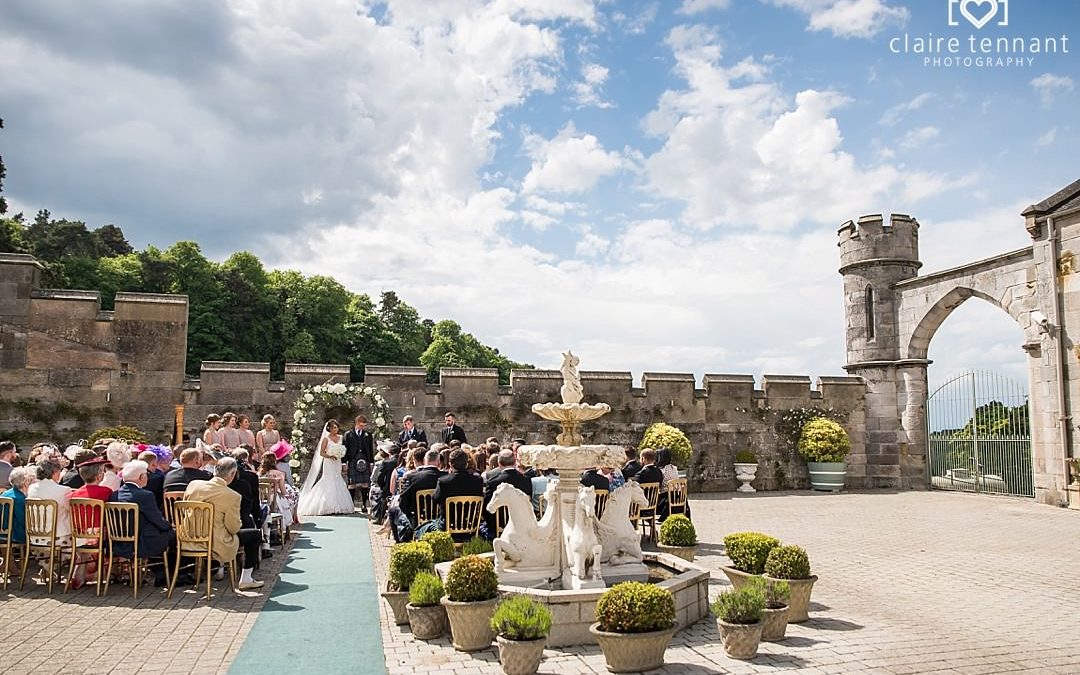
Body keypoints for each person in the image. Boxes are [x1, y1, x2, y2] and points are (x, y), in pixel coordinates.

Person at [183, 457, 264, 590]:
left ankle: (219, 568)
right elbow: (233, 528)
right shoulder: (232, 496)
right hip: (216, 542)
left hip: (189, 538)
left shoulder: (194, 485)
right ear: (232, 474)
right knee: (255, 535)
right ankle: (246, 578)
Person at [112, 460, 176, 587]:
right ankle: (167, 576)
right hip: (141, 541)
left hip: (118, 541)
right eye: (146, 475)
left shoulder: (114, 495)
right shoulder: (145, 495)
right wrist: (169, 527)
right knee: (172, 537)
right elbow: (156, 519)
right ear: (141, 477)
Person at [296, 420, 354, 516]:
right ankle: (326, 505)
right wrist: (330, 455)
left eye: (336, 427)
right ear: (329, 429)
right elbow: (322, 452)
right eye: (333, 427)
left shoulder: (341, 438)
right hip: (329, 462)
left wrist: (340, 454)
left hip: (337, 462)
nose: (335, 429)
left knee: (337, 478)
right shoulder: (326, 439)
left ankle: (339, 505)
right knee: (328, 479)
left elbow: (344, 449)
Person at [428, 449, 483, 541]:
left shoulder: (444, 481)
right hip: (470, 525)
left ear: (450, 464)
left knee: (422, 528)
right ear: (466, 464)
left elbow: (435, 500)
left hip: (446, 526)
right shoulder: (478, 481)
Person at [391, 449, 443, 542]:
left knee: (393, 510)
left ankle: (399, 543)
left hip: (418, 519)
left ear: (425, 461)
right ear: (439, 462)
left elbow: (403, 503)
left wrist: (410, 515)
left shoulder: (413, 478)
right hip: (438, 519)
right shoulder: (445, 478)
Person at [482, 450, 532, 539]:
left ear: (499, 464)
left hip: (498, 524)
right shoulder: (526, 480)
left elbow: (487, 509)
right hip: (521, 523)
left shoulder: (493, 482)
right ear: (515, 461)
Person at [258, 454, 299, 527]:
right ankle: (288, 525)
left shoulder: (259, 474)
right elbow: (283, 492)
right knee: (293, 498)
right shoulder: (279, 474)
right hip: (274, 501)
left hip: (261, 500)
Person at [343, 415, 374, 510]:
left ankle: (364, 504)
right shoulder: (348, 434)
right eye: (361, 425)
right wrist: (344, 462)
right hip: (352, 459)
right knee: (352, 484)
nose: (363, 427)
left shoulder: (368, 435)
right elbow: (344, 449)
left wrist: (371, 462)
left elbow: (370, 449)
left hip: (365, 459)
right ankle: (351, 505)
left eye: (364, 425)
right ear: (356, 424)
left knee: (365, 483)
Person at [1, 466, 34, 547]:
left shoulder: (5, 494)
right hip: (15, 535)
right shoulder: (20, 499)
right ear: (26, 482)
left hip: (3, 533)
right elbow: (25, 521)